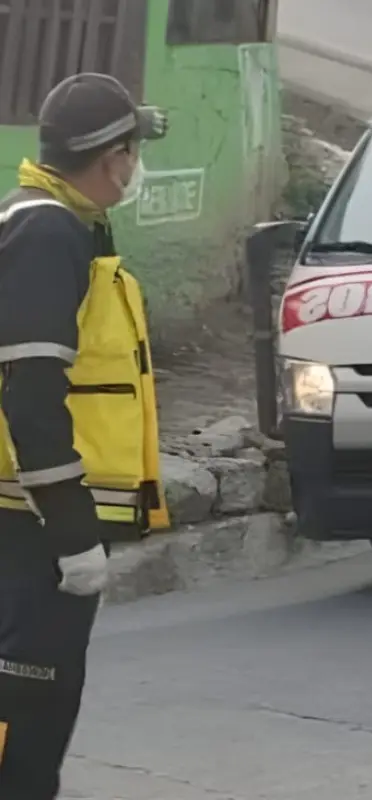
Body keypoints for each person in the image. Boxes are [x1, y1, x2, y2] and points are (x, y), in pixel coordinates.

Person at [0, 73, 170, 798]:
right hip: (30, 529)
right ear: (115, 156)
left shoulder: (51, 223)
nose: (135, 168)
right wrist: (73, 533)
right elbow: (32, 398)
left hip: (25, 520)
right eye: (133, 151)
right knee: (26, 724)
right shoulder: (47, 233)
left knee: (32, 717)